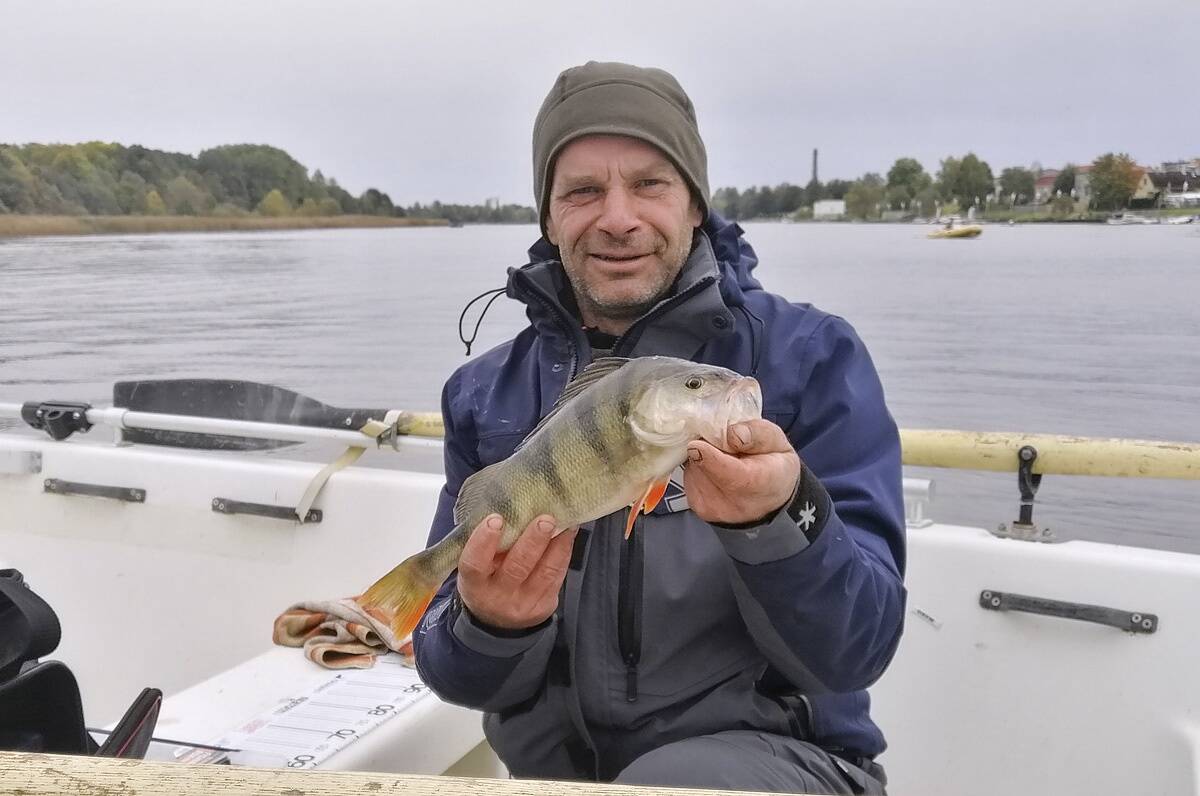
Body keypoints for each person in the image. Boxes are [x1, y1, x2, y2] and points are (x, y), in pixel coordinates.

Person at [412, 61, 905, 795]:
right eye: (582, 191)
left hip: (785, 767)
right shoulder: (486, 393)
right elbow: (457, 674)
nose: (618, 217)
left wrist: (778, 523)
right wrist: (492, 624)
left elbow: (858, 649)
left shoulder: (809, 360)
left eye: (650, 184)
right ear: (548, 217)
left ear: (695, 204)